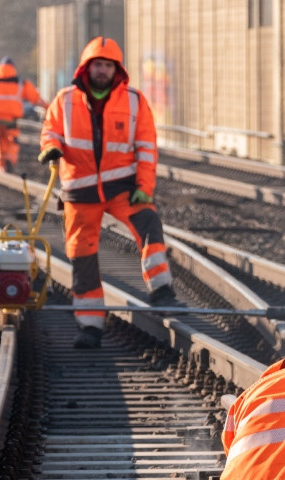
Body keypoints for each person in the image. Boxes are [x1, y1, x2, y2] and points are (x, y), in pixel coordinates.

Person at [38, 36, 176, 350]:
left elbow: (146, 147)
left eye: (108, 65)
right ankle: (89, 326)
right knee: (82, 258)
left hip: (123, 188)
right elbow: (51, 130)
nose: (102, 70)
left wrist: (144, 188)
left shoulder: (134, 101)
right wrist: (51, 148)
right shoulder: (64, 100)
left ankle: (162, 291)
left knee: (149, 225)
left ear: (118, 69)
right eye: (97, 64)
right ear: (86, 67)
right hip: (80, 191)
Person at [0, 57, 47, 172]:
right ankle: (9, 162)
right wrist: (49, 107)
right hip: (11, 120)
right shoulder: (20, 83)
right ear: (12, 67)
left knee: (0, 144)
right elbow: (35, 98)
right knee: (11, 142)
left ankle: (1, 167)